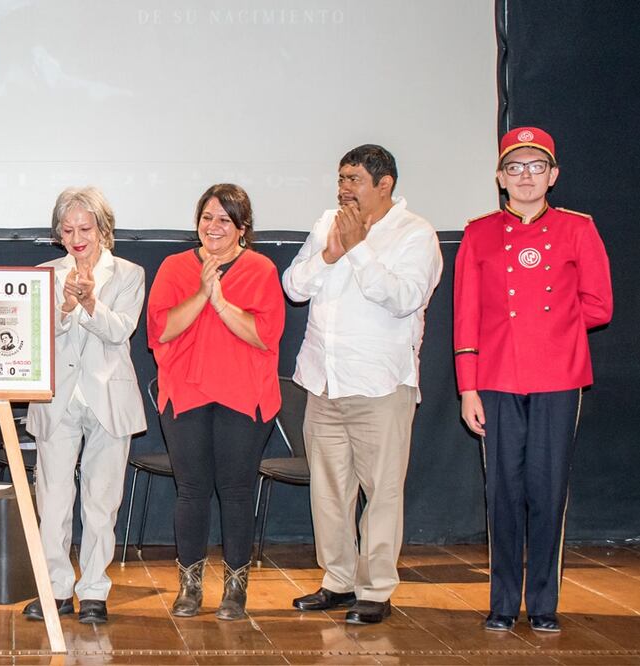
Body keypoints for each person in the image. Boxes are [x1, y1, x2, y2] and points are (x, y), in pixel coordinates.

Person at [454, 127, 612, 633]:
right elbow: (466, 317)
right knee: (502, 492)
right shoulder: (478, 233)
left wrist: (550, 329)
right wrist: (468, 387)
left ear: (554, 175)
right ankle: (502, 602)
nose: (526, 177)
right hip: (496, 378)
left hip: (557, 376)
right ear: (500, 178)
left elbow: (599, 305)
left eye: (536, 167)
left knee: (547, 491)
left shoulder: (578, 229)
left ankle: (543, 602)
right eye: (516, 168)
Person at [283, 145, 442, 625]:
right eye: (341, 178)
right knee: (329, 491)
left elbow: (404, 298)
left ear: (384, 183)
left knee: (382, 491)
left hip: (380, 386)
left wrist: (359, 250)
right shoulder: (326, 223)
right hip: (323, 380)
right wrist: (330, 253)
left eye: (353, 179)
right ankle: (337, 581)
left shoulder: (416, 234)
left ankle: (374, 589)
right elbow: (293, 286)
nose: (343, 188)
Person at [147, 184, 284, 621]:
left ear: (242, 228)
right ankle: (189, 588)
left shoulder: (261, 269)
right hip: (185, 393)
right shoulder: (173, 267)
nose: (213, 226)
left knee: (236, 492)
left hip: (244, 397)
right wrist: (203, 293)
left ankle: (235, 590)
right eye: (207, 217)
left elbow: (264, 335)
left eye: (224, 219)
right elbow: (161, 331)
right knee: (191, 491)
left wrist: (221, 301)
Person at [23, 186, 146, 624]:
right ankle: (55, 589)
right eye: (68, 228)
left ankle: (94, 590)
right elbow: (34, 336)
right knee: (53, 500)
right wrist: (64, 306)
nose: (77, 237)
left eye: (85, 228)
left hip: (109, 399)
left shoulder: (129, 274)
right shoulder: (45, 273)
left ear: (103, 230)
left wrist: (90, 301)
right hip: (57, 400)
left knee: (101, 501)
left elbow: (120, 331)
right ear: (58, 233)